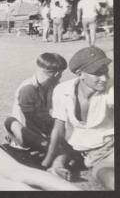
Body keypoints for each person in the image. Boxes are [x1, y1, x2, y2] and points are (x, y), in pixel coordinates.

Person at [43, 47, 114, 190]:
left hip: (111, 148)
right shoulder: (62, 91)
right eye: (97, 73)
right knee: (112, 182)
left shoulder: (111, 89)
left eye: (105, 71)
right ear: (80, 74)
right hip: (90, 156)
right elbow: (58, 130)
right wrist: (47, 163)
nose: (105, 78)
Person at [4, 53, 79, 179]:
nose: (60, 77)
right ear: (56, 74)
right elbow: (31, 121)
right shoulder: (27, 89)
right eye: (60, 74)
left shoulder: (53, 86)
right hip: (28, 133)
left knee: (64, 138)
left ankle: (57, 166)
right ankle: (58, 161)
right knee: (11, 121)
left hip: (43, 131)